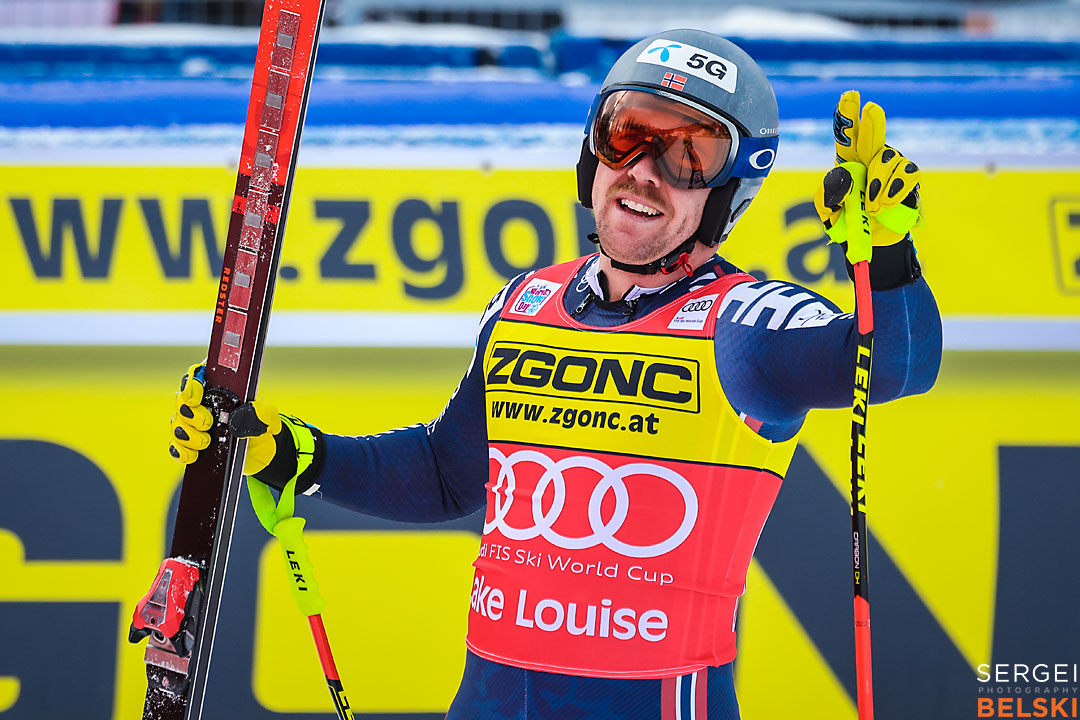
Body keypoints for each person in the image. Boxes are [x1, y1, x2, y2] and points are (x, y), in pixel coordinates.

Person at [169, 29, 941, 719]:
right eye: (628, 133)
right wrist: (294, 453)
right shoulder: (524, 304)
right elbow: (447, 475)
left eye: (687, 154)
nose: (643, 172)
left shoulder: (746, 324)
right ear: (592, 148)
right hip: (491, 700)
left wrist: (889, 257)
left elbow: (900, 365)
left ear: (728, 190)